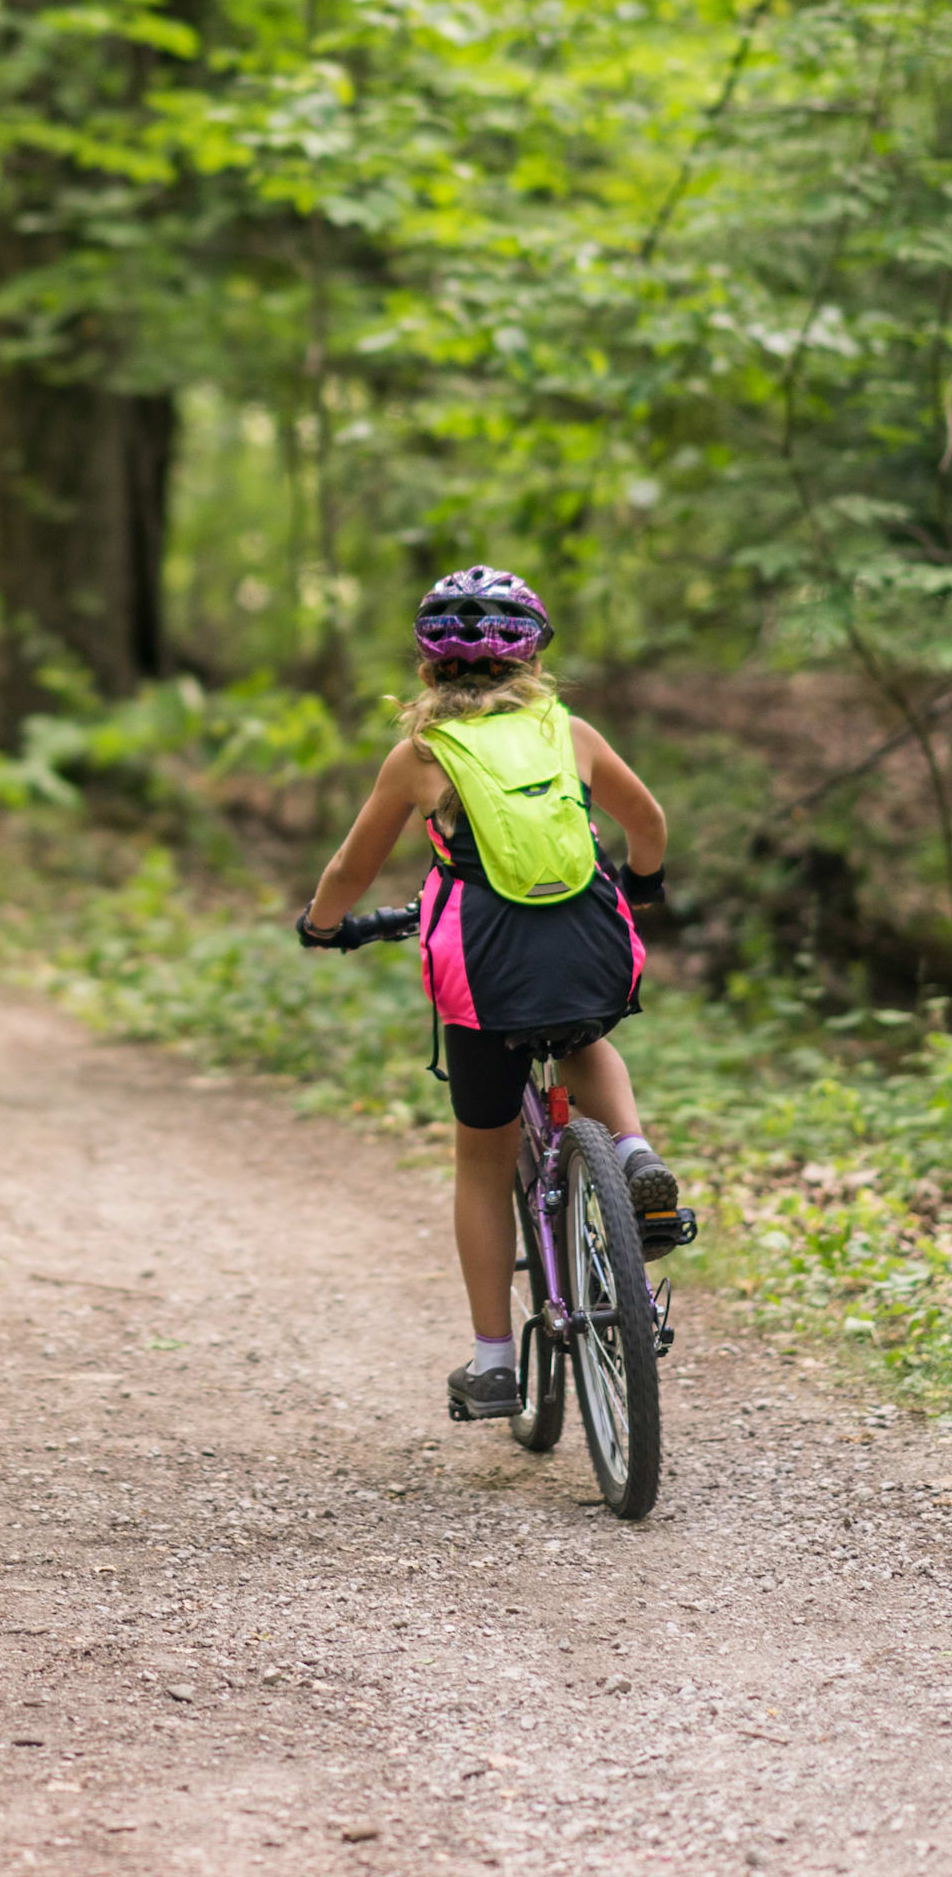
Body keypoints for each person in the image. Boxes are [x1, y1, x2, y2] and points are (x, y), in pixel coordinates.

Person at [294, 566, 687, 1422]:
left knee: (481, 1157)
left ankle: (494, 1363)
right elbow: (647, 822)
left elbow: (350, 869)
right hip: (585, 943)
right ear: (534, 659)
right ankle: (633, 1156)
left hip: (485, 964)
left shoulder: (420, 756)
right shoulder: (569, 733)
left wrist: (324, 925)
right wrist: (643, 885)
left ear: (429, 668)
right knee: (587, 1039)